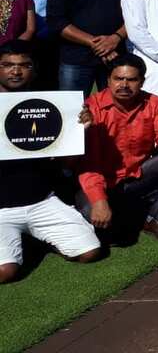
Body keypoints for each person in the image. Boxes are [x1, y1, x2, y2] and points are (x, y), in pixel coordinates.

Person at [0, 42, 102, 283]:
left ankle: (38, 238)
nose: (16, 71)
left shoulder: (50, 104)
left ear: (34, 70)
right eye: (8, 65)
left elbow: (65, 164)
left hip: (41, 201)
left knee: (89, 252)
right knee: (5, 273)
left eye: (24, 65)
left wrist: (80, 131)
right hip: (1, 208)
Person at [77, 55, 158, 243]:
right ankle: (129, 214)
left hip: (137, 174)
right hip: (102, 179)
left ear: (142, 82)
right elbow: (89, 164)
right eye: (118, 79)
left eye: (132, 80)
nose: (124, 85)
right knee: (96, 218)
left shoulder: (154, 103)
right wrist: (99, 200)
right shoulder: (92, 108)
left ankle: (154, 220)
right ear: (108, 80)